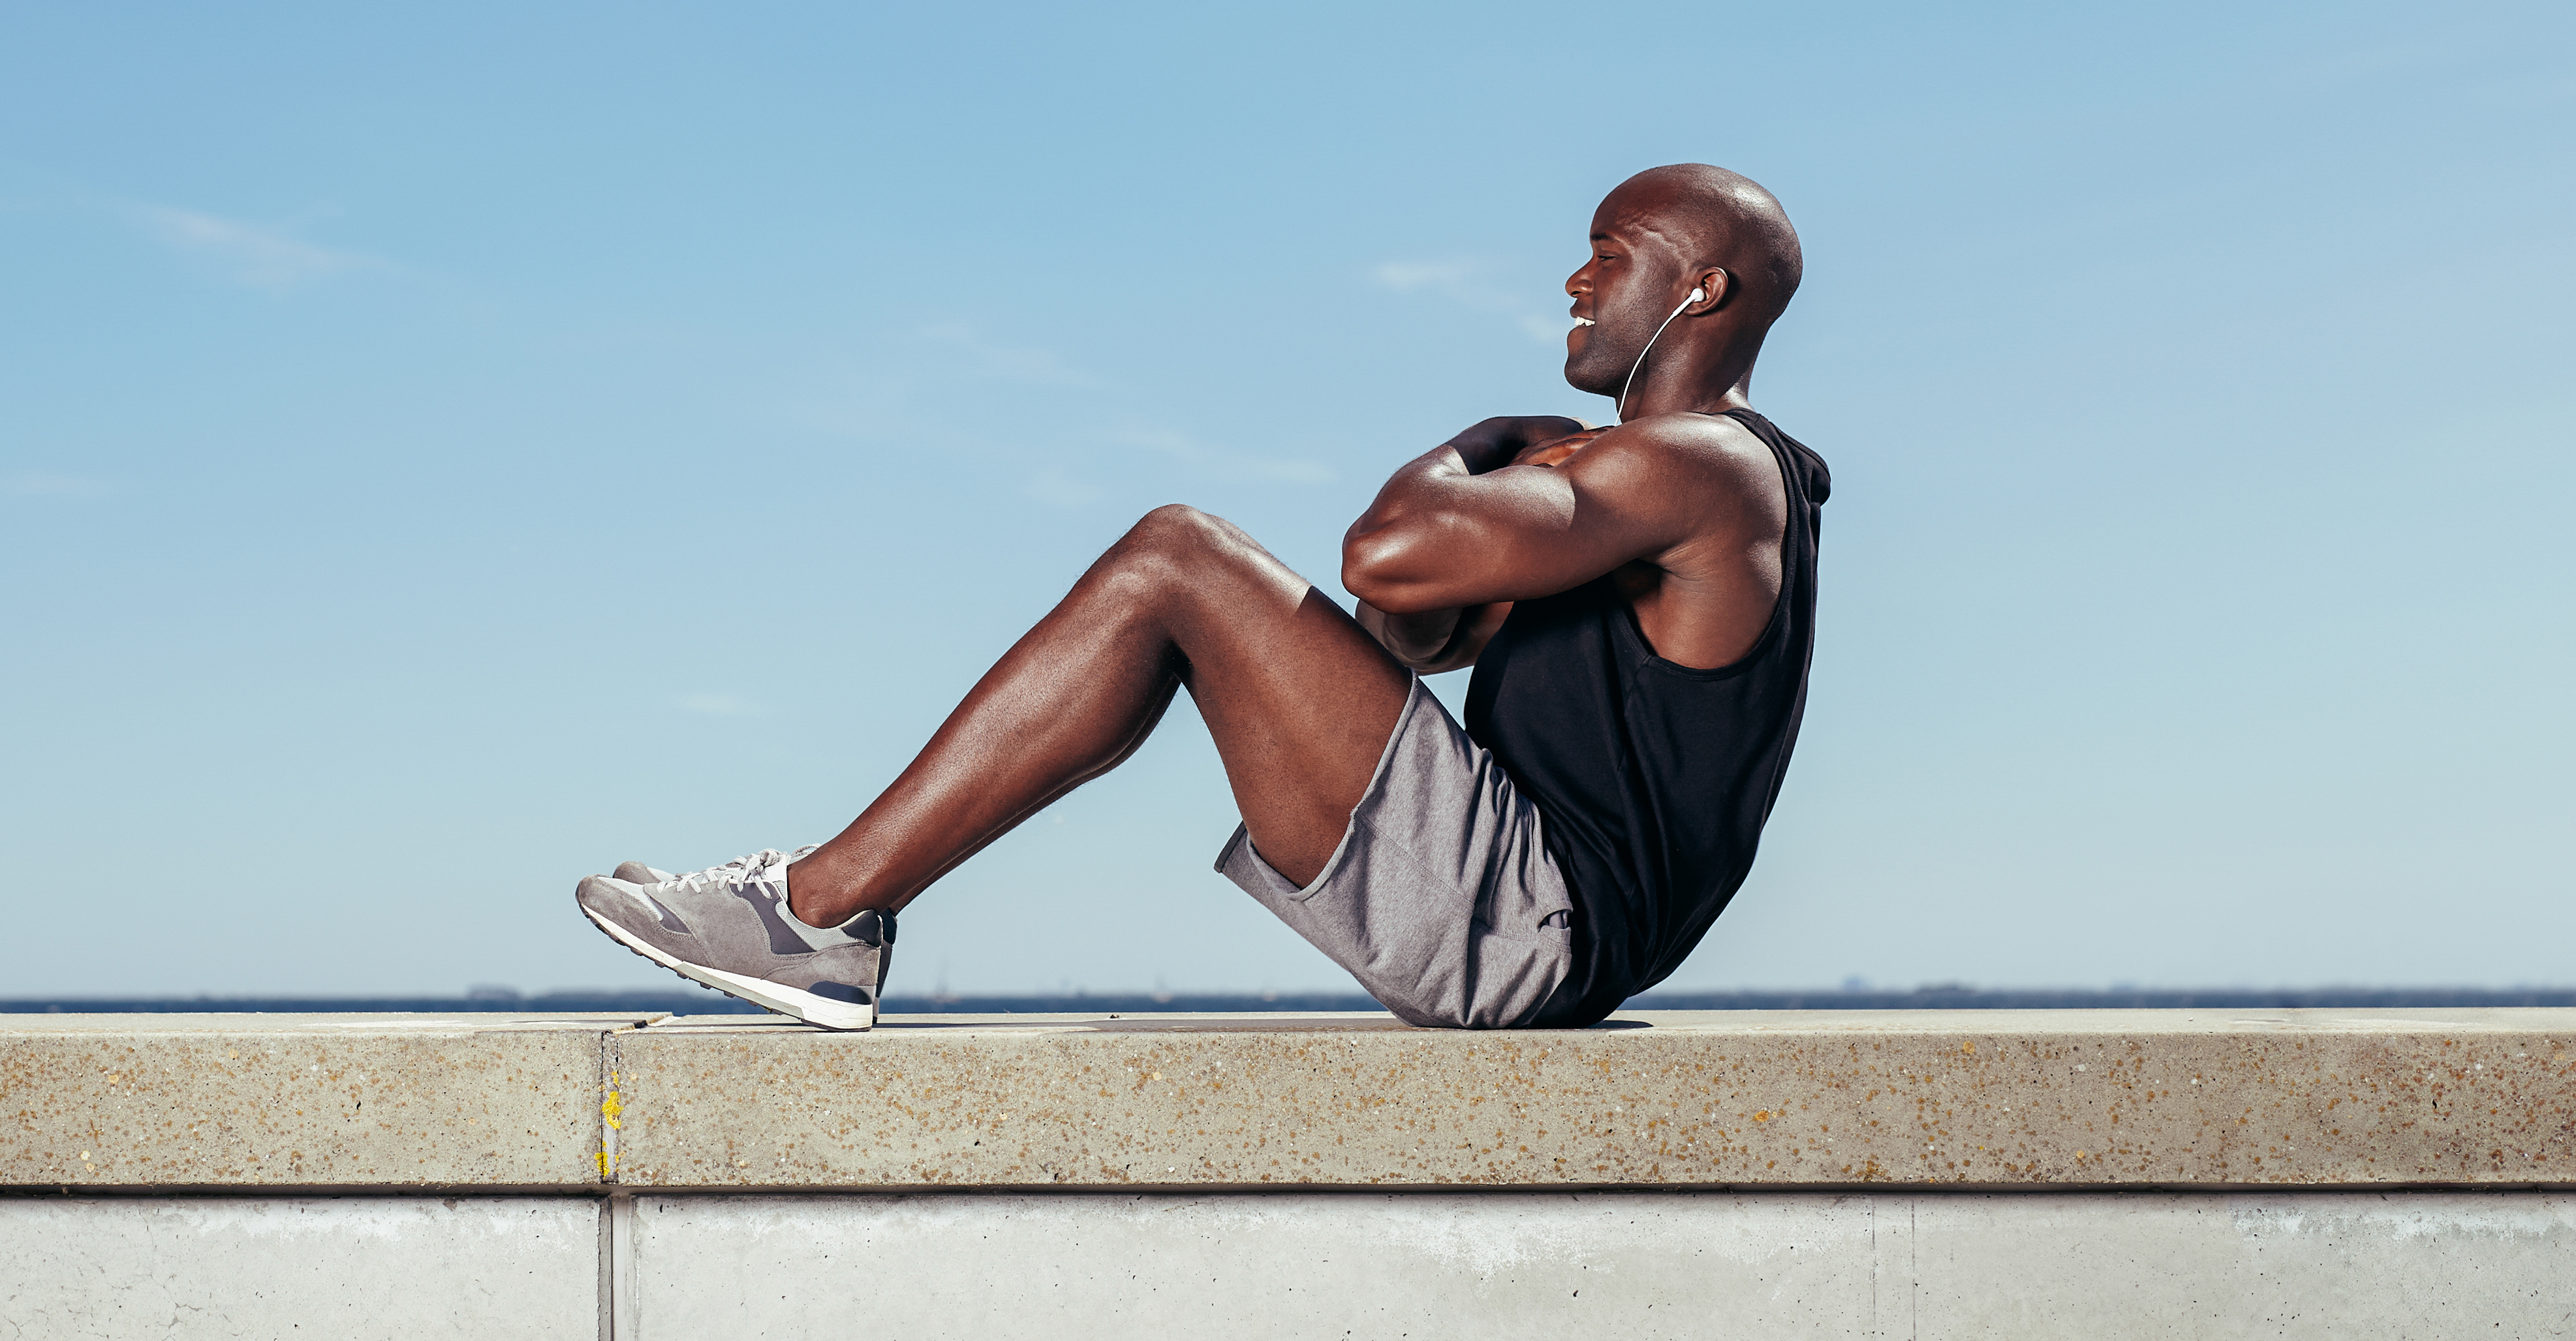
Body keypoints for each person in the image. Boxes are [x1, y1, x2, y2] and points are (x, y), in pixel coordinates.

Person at [574, 163, 1827, 1032]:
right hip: (1535, 917)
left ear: (1700, 289)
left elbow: (1383, 558)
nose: (1573, 283)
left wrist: (1479, 441)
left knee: (1177, 557)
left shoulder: (1704, 466)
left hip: (1534, 922)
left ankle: (813, 913)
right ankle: (825, 910)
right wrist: (1486, 520)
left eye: (1609, 255)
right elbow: (1410, 633)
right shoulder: (1650, 489)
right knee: (1175, 583)